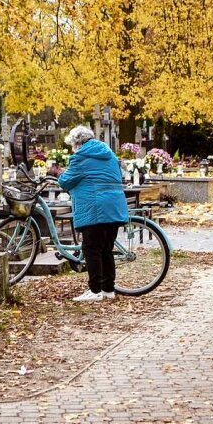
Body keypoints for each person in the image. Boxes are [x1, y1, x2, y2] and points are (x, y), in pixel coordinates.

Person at [58, 125, 129, 302]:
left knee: (91, 249)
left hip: (95, 207)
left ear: (77, 143)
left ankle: (95, 290)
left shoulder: (81, 157)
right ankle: (108, 290)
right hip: (114, 206)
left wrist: (58, 174)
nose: (72, 149)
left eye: (72, 145)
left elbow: (66, 182)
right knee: (106, 249)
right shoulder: (109, 153)